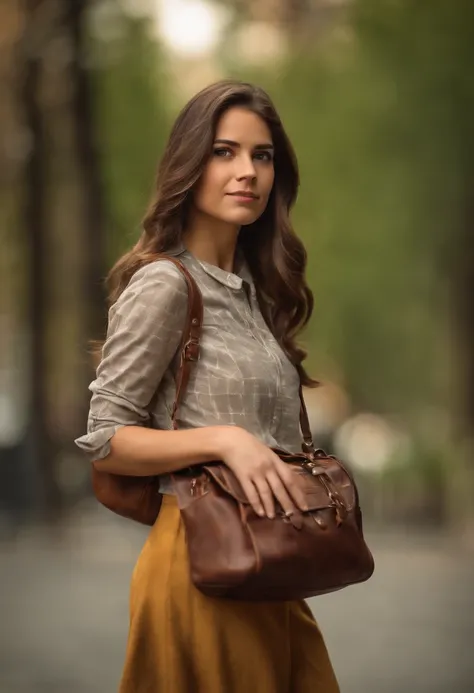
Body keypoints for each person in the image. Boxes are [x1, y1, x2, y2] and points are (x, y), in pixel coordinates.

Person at [75, 79, 340, 693]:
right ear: (188, 166)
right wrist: (224, 440)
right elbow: (106, 439)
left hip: (272, 569)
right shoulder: (167, 285)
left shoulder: (252, 292)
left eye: (262, 155)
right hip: (202, 565)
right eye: (224, 152)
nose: (247, 171)